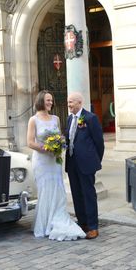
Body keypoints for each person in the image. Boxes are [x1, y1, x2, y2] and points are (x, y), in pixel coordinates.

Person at [27, 90, 86, 241]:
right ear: (41, 100)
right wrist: (45, 148)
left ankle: (56, 220)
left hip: (55, 161)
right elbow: (30, 142)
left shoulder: (56, 119)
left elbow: (59, 137)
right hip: (41, 161)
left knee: (57, 189)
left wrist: (58, 145)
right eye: (47, 100)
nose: (50, 103)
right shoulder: (33, 120)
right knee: (45, 190)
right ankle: (45, 223)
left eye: (51, 100)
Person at [65, 92, 104, 240]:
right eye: (68, 102)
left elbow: (99, 143)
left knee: (88, 195)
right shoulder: (69, 119)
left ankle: (93, 227)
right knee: (77, 194)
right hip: (72, 163)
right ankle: (82, 224)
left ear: (79, 103)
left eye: (71, 102)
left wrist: (95, 160)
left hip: (87, 164)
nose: (69, 105)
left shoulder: (90, 118)